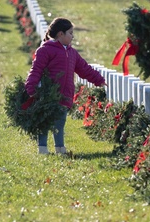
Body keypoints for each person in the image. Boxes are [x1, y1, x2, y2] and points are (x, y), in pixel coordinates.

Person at [24, 17, 105, 155]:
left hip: (65, 94)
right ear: (60, 34)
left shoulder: (72, 53)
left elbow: (84, 69)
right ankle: (42, 148)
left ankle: (60, 148)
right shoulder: (46, 50)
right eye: (70, 33)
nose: (72, 36)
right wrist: (31, 87)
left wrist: (98, 79)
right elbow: (36, 69)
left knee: (60, 123)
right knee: (44, 121)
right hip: (48, 94)